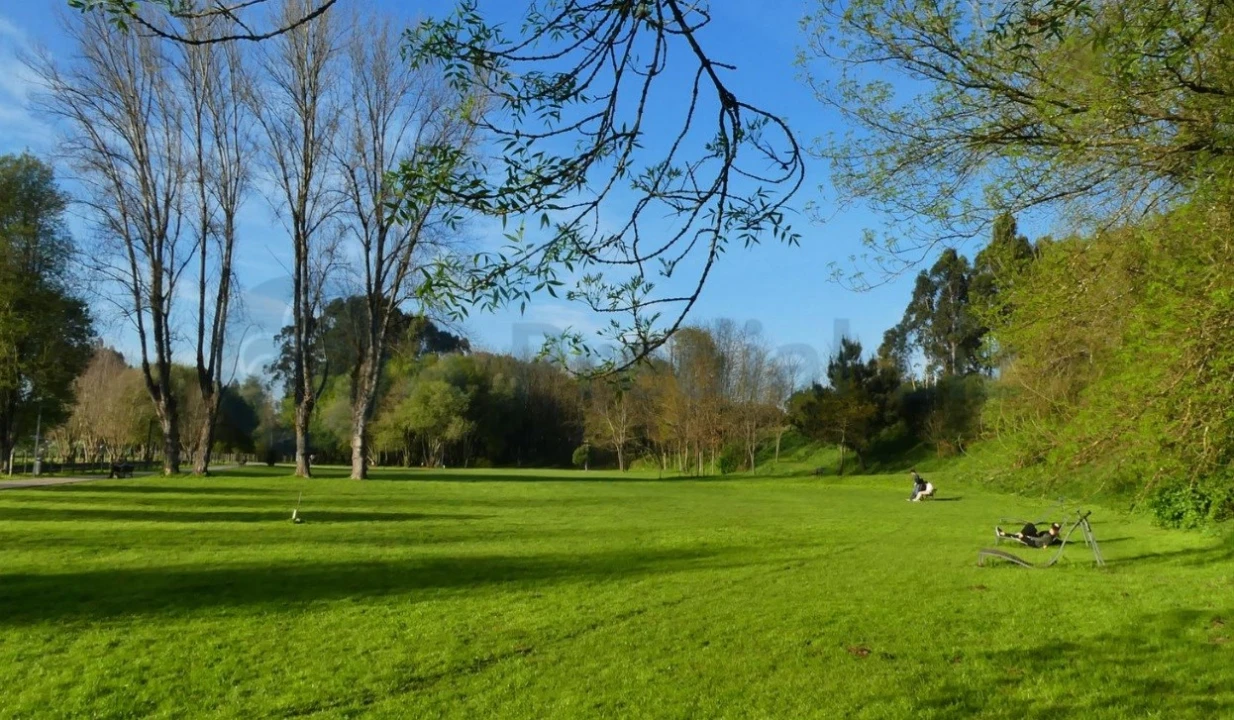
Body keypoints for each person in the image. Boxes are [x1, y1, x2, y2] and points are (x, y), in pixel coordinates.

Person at [996, 522, 1061, 548]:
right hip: (1036, 537)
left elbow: (1040, 540)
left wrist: (1028, 537)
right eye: (1052, 528)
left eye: (1055, 529)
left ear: (1057, 531)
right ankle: (1021, 534)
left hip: (1034, 542)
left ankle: (1002, 534)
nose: (1052, 530)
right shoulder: (1050, 534)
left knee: (1020, 536)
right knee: (1030, 526)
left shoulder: (1049, 537)